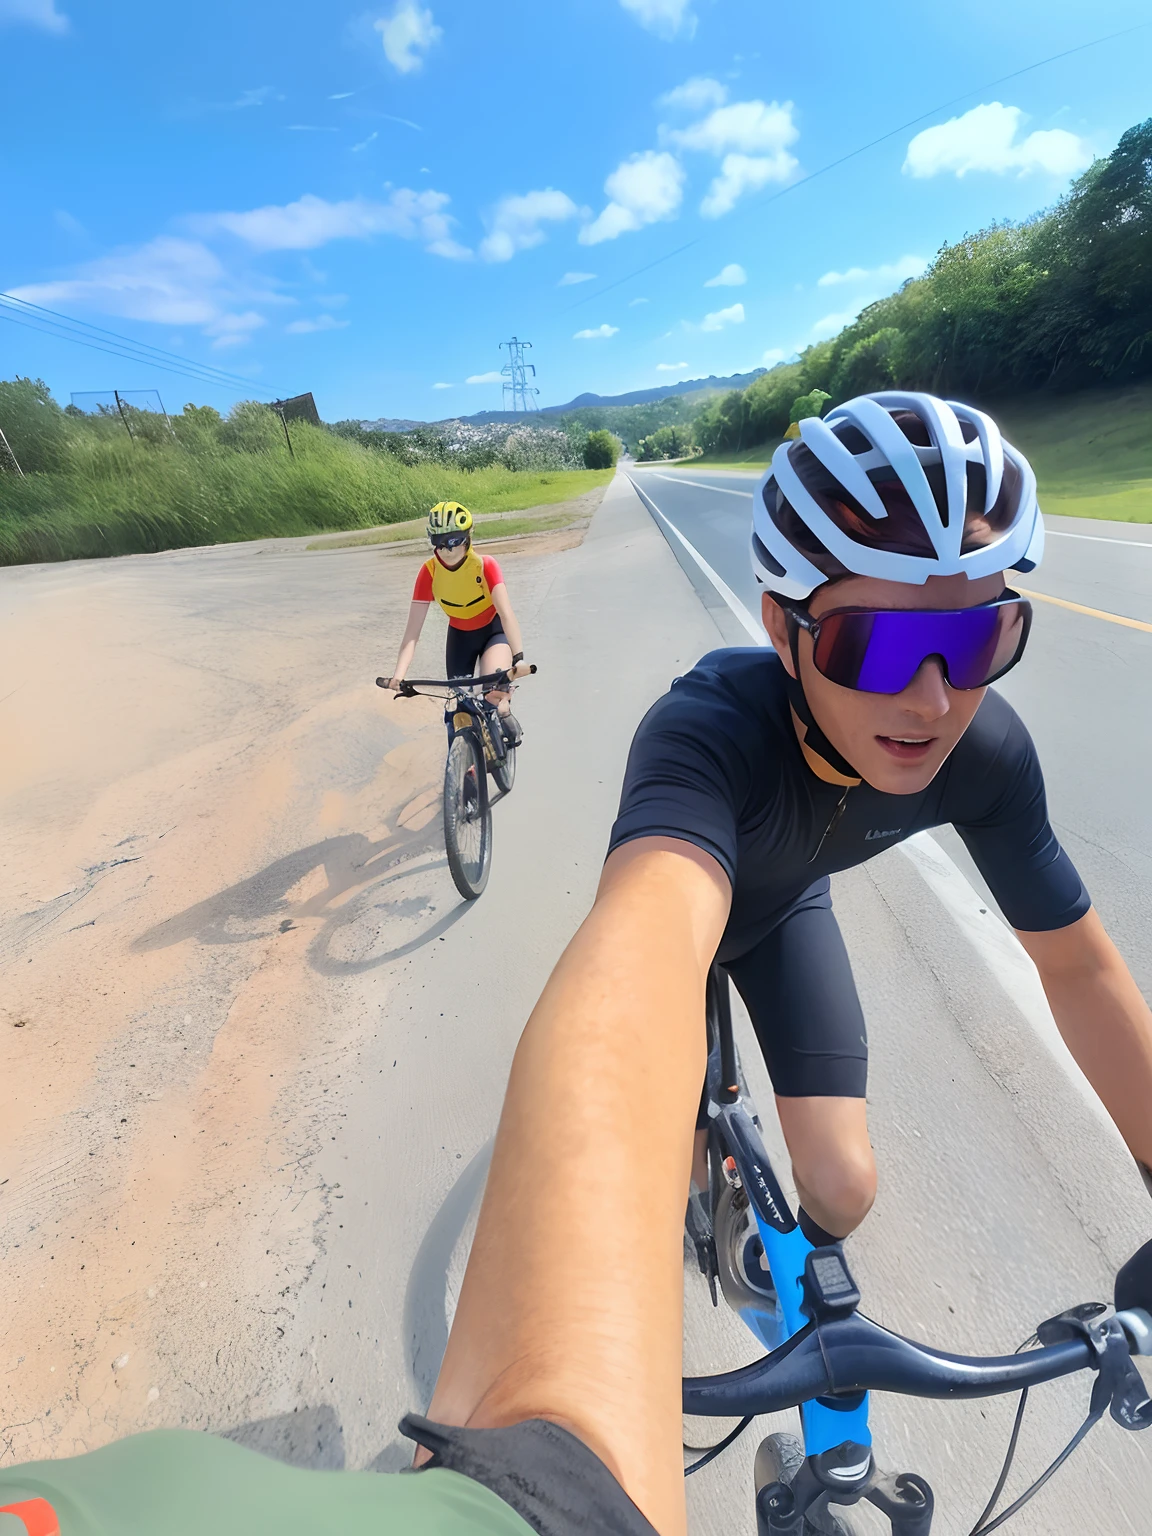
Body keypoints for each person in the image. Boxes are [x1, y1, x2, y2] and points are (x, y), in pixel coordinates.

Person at [385, 501, 528, 745]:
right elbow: (412, 633)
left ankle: (503, 708)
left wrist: (519, 658)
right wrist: (399, 675)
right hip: (460, 637)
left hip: (493, 632)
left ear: (467, 537)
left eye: (453, 541)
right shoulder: (428, 572)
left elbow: (506, 614)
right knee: (455, 710)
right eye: (438, 542)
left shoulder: (485, 566)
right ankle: (461, 769)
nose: (446, 550)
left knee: (491, 692)